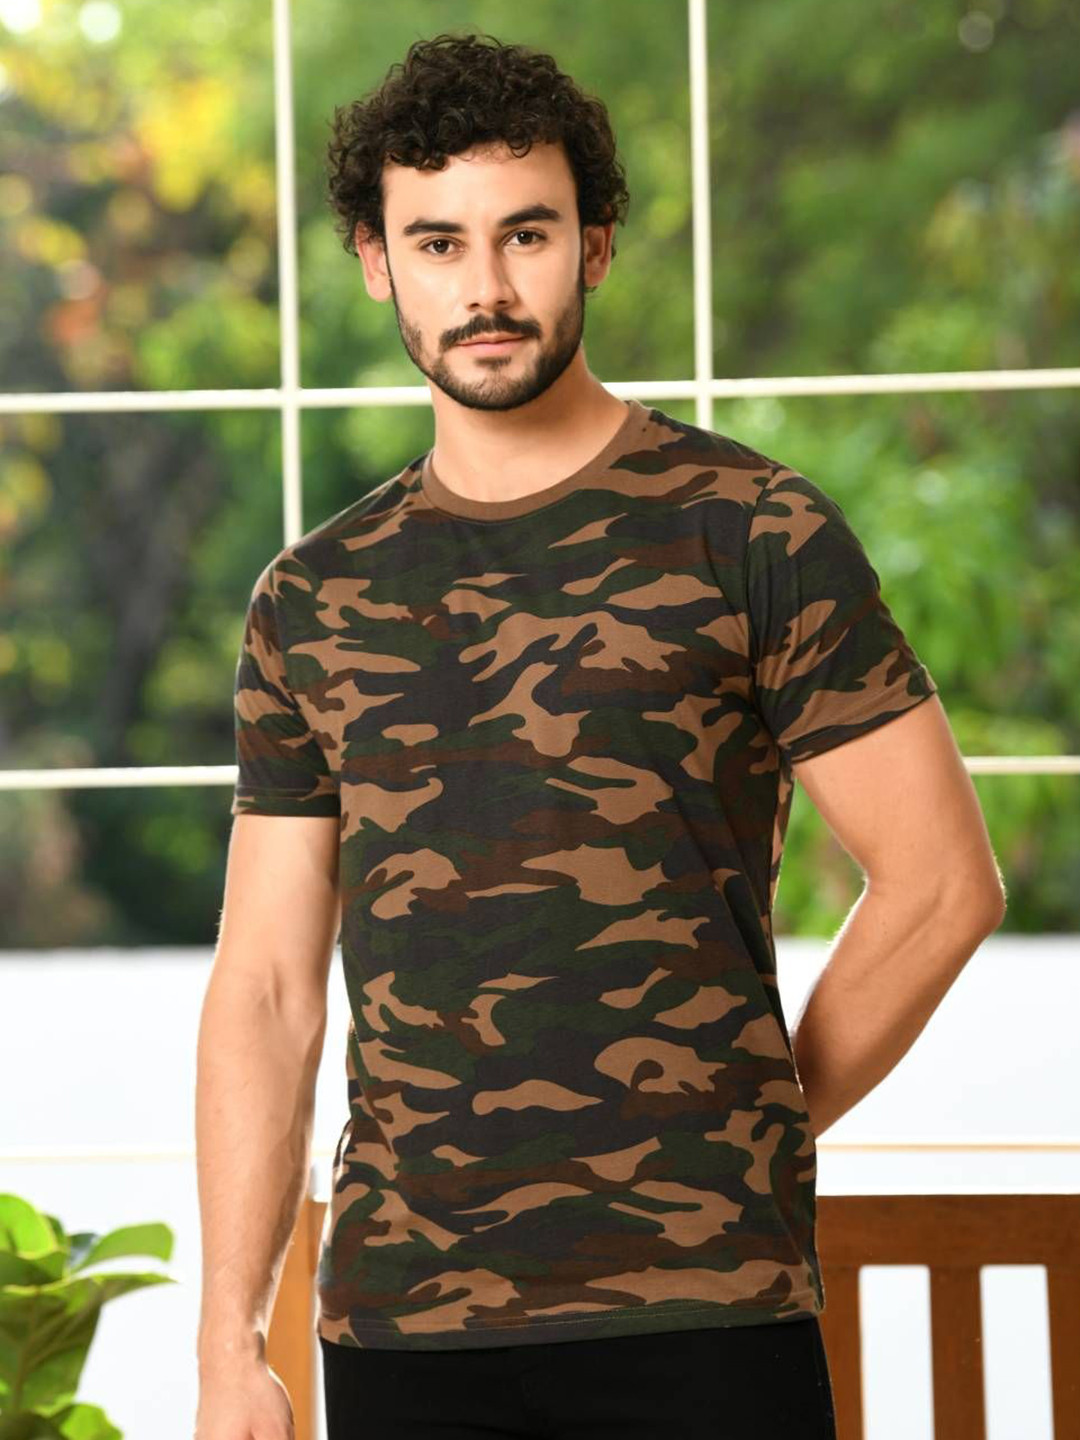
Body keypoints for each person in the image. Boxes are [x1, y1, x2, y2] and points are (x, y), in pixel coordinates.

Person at [194, 29, 1007, 1440]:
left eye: (527, 234)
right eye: (438, 243)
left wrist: (753, 1130)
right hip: (405, 1323)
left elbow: (942, 885)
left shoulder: (752, 529)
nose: (487, 288)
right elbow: (266, 988)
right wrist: (227, 1346)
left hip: (706, 1314)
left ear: (597, 246)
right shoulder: (312, 600)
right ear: (378, 262)